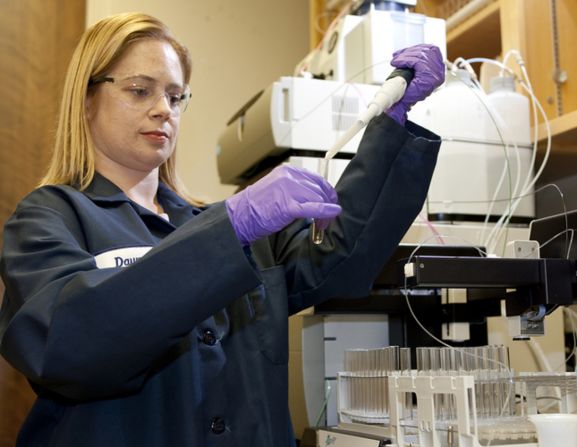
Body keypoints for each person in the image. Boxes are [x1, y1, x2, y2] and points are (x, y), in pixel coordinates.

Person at [0, 12, 444, 447]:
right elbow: (68, 344)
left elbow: (340, 256)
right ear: (87, 98)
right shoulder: (48, 218)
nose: (163, 110)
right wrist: (231, 226)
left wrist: (393, 120)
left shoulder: (224, 229)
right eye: (140, 90)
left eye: (176, 97)